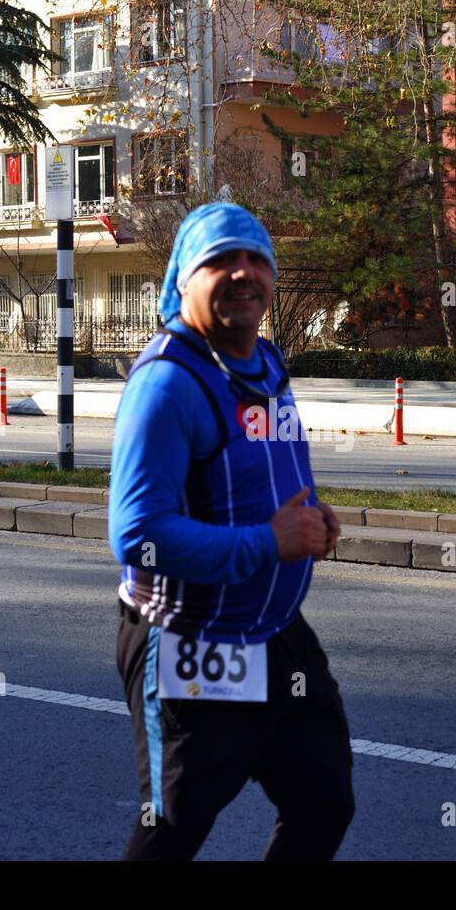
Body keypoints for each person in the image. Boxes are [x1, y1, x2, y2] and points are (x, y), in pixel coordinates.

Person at [108, 202, 355, 861]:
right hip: (190, 643)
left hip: (276, 634)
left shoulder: (266, 363)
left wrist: (313, 516)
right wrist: (267, 543)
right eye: (221, 260)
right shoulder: (166, 384)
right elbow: (138, 537)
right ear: (184, 280)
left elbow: (269, 476)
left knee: (324, 803)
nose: (243, 273)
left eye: (257, 260)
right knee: (174, 828)